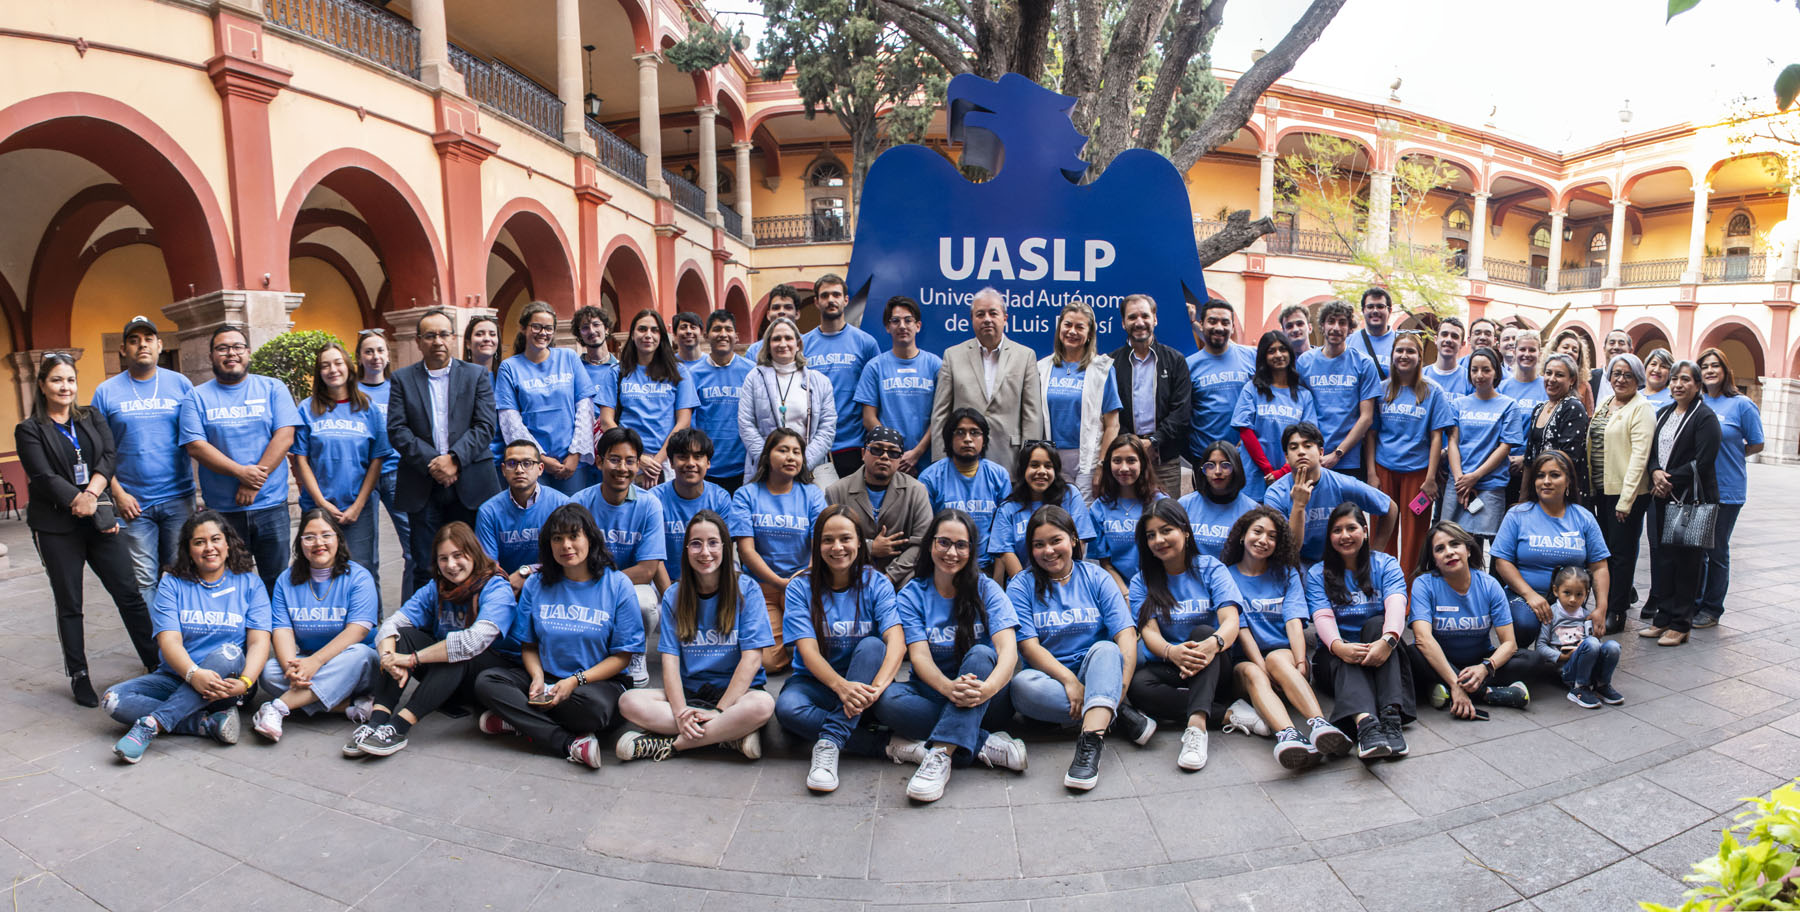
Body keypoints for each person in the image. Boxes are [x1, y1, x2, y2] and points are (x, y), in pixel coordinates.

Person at [18, 351, 158, 705]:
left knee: (128, 591)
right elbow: (42, 476)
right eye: (56, 380)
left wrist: (92, 494)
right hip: (55, 527)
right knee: (70, 601)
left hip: (97, 521)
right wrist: (76, 499)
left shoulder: (91, 417)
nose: (65, 387)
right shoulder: (29, 429)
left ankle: (155, 661)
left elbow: (108, 456)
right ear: (42, 385)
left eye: (70, 380)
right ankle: (79, 675)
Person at [873, 509, 1028, 802]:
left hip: (987, 697)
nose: (951, 552)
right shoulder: (911, 595)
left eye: (961, 545)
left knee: (982, 653)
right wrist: (949, 688)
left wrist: (987, 689)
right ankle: (981, 742)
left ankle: (940, 756)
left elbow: (1008, 651)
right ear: (930, 544)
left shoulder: (987, 589)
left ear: (971, 550)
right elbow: (919, 657)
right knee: (885, 700)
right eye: (943, 542)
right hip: (933, 691)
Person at [473, 503, 643, 768]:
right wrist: (538, 677)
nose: (566, 545)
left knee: (595, 712)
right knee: (487, 681)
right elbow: (528, 646)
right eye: (557, 538)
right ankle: (568, 742)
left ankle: (519, 722)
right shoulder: (537, 584)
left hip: (593, 684)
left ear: (590, 538)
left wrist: (575, 681)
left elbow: (622, 657)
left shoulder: (617, 584)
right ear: (548, 545)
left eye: (574, 536)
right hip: (548, 679)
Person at [1006, 506, 1154, 790]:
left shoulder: (1096, 577)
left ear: (1073, 539)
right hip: (1050, 679)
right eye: (1038, 545)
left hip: (1098, 668)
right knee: (1021, 687)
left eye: (1055, 540)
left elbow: (1125, 634)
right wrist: (1069, 681)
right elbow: (1028, 647)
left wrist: (1121, 686)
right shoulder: (1020, 586)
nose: (1048, 551)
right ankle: (1114, 712)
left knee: (1107, 650)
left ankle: (1089, 745)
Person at [105, 511, 271, 763]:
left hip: (229, 684)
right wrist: (194, 675)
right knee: (113, 701)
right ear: (188, 549)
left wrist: (246, 682)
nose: (209, 548)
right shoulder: (172, 584)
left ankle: (152, 724)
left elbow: (259, 641)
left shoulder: (250, 584)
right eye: (199, 542)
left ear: (228, 543)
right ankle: (204, 724)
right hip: (179, 676)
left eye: (215, 539)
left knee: (228, 653)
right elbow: (168, 641)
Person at [614, 510, 775, 762]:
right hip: (691, 692)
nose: (705, 552)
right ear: (686, 549)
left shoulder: (747, 589)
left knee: (763, 705)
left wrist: (721, 709)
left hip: (737, 696)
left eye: (713, 543)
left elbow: (752, 659)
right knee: (628, 701)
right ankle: (729, 735)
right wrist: (679, 711)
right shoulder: (674, 595)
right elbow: (670, 661)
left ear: (724, 546)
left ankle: (672, 744)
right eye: (696, 544)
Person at [347, 522, 518, 759]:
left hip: (485, 678)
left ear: (474, 553)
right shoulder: (437, 587)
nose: (451, 565)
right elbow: (392, 624)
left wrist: (411, 659)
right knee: (403, 636)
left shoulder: (496, 587)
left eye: (458, 556)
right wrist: (388, 658)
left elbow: (471, 642)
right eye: (443, 558)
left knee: (457, 651)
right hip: (444, 677)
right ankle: (376, 722)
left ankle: (398, 727)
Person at [776, 507, 906, 792]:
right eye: (827, 540)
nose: (837, 548)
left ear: (860, 542)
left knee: (873, 646)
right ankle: (884, 745)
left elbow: (895, 639)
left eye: (845, 538)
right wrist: (841, 687)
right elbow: (807, 650)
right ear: (817, 544)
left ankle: (830, 740)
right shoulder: (800, 587)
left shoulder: (877, 583)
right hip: (818, 683)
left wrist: (877, 687)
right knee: (787, 708)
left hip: (867, 685)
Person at [1224, 506, 1350, 766]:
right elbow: (1241, 627)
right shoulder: (1225, 574)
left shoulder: (1287, 572)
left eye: (1272, 536)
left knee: (1277, 660)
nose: (1263, 540)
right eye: (1257, 532)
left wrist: (1302, 661)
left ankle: (1319, 725)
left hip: (1283, 658)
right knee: (1254, 671)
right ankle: (1288, 735)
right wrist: (1261, 665)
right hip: (1242, 659)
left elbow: (1294, 620)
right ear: (1242, 535)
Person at [178, 325, 301, 591]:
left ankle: (275, 632)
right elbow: (197, 447)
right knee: (231, 583)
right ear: (211, 356)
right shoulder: (196, 397)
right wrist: (239, 473)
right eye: (222, 348)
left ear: (248, 353)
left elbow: (285, 436)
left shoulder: (272, 388)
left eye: (237, 347)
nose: (230, 353)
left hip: (271, 506)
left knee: (276, 582)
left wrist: (252, 482)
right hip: (223, 511)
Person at [392, 308, 503, 598]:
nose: (437, 341)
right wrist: (435, 463)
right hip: (422, 484)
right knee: (425, 564)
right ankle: (425, 630)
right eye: (430, 335)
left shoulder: (476, 375)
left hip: (471, 484)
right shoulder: (402, 379)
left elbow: (485, 425)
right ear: (418, 341)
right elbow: (397, 430)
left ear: (453, 338)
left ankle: (475, 623)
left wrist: (454, 459)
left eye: (443, 334)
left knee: (474, 561)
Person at [1126, 499, 1244, 771]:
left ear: (1185, 531)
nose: (1159, 540)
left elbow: (1230, 621)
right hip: (1171, 663)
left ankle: (1197, 727)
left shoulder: (1211, 568)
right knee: (1138, 686)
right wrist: (1172, 652)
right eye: (1151, 535)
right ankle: (1228, 714)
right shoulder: (1141, 581)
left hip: (1215, 663)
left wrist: (1212, 644)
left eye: (1166, 530)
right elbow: (1149, 631)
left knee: (1203, 631)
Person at [91, 315, 195, 610]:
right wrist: (118, 494)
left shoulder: (181, 384)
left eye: (148, 339)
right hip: (133, 503)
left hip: (178, 498)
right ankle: (157, 647)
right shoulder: (106, 391)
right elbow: (99, 450)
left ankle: (183, 639)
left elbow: (195, 438)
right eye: (134, 341)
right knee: (144, 579)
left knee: (180, 572)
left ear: (160, 345)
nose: (142, 345)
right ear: (123, 349)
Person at [250, 510, 380, 741]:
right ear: (299, 544)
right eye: (309, 537)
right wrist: (291, 667)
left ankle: (279, 707)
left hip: (355, 662)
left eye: (326, 535)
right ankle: (348, 707)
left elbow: (358, 631)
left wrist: (316, 662)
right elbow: (282, 630)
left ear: (338, 539)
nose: (318, 543)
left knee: (359, 654)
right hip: (309, 662)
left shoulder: (359, 577)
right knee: (270, 672)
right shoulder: (286, 580)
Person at [1306, 503, 1412, 760]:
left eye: (1351, 528)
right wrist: (1339, 647)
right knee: (1345, 653)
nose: (1344, 536)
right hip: (1334, 658)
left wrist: (1387, 641)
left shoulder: (1386, 564)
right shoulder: (1316, 573)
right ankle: (1367, 727)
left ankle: (1390, 718)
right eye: (1337, 530)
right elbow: (1322, 617)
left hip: (1381, 652)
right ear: (1329, 537)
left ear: (1365, 531)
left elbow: (1397, 603)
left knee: (1378, 625)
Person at [1407, 521, 1535, 721]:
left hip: (1479, 661)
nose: (1449, 552)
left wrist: (1485, 668)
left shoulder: (1490, 585)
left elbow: (1509, 644)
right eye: (1440, 549)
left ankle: (1444, 691)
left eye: (1455, 544)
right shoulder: (1424, 584)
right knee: (1413, 652)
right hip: (1440, 661)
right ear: (1434, 559)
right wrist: (1455, 682)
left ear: (1468, 549)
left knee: (1531, 659)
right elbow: (1423, 638)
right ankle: (1488, 694)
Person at [291, 341, 391, 593]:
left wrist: (358, 505)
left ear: (348, 367)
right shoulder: (306, 409)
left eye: (337, 363)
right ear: (319, 373)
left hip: (359, 508)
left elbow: (377, 459)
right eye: (325, 365)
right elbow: (301, 459)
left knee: (363, 569)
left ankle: (370, 628)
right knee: (319, 568)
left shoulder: (368, 408)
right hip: (318, 507)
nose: (332, 370)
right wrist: (322, 504)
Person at [1490, 450, 1612, 649]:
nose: (1546, 481)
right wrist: (1530, 595)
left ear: (1568, 481)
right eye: (1540, 475)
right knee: (1524, 624)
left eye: (1554, 475)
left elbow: (1599, 566)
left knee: (1571, 656)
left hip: (1569, 600)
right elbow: (1502, 562)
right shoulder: (1517, 514)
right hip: (1523, 596)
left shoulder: (1584, 517)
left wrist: (1601, 608)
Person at [573, 427, 666, 685]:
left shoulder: (650, 505)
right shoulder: (580, 502)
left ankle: (634, 651)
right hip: (584, 585)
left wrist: (603, 585)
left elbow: (647, 569)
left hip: (630, 586)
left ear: (638, 465)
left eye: (630, 461)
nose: (622, 468)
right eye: (614, 459)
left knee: (644, 604)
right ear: (600, 461)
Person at [730, 427, 828, 673]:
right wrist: (778, 582)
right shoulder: (746, 494)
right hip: (762, 587)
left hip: (803, 583)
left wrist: (797, 581)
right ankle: (793, 643)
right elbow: (746, 551)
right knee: (769, 663)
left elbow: (819, 549)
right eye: (783, 450)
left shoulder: (813, 495)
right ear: (767, 456)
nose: (791, 457)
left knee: (828, 651)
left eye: (797, 452)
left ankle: (796, 641)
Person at [1641, 359, 1719, 646]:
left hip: (1690, 500)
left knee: (1687, 562)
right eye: (1674, 379)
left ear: (1697, 385)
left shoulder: (1705, 417)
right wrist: (1654, 472)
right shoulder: (1663, 413)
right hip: (1661, 497)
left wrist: (1667, 478)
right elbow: (1652, 453)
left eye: (1685, 379)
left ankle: (1680, 623)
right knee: (1663, 559)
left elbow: (1705, 460)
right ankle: (1662, 618)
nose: (1677, 384)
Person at [927, 287, 1044, 471]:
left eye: (993, 313)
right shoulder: (952, 356)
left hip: (1010, 461)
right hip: (960, 463)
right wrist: (941, 462)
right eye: (980, 314)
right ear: (972, 319)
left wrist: (1029, 462)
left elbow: (1032, 416)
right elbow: (941, 414)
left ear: (1005, 318)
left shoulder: (1025, 356)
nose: (987, 319)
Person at [1371, 332, 1454, 574]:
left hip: (1417, 474)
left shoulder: (1433, 391)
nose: (1404, 355)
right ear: (1392, 355)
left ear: (1420, 357)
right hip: (1384, 469)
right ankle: (1381, 588)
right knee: (1381, 533)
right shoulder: (1382, 390)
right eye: (1399, 350)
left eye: (1410, 351)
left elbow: (1437, 437)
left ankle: (1409, 595)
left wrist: (1430, 479)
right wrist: (1371, 474)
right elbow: (1372, 434)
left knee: (1414, 539)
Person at [1693, 346, 1764, 628]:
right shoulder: (1697, 402)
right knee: (1697, 548)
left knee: (1716, 549)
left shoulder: (1741, 405)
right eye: (1705, 366)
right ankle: (1694, 601)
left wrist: (1730, 456)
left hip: (1727, 489)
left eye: (1715, 365)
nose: (1710, 370)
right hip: (1698, 489)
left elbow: (1757, 443)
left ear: (1725, 371)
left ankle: (1712, 608)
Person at [1587, 352, 1654, 632]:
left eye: (1627, 374)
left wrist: (1626, 500)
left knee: (1620, 554)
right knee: (1604, 553)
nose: (1621, 379)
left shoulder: (1642, 408)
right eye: (1616, 373)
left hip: (1626, 494)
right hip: (1602, 489)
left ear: (1638, 378)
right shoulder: (1606, 403)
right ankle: (1609, 601)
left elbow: (1640, 456)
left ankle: (1617, 611)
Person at [496, 301, 593, 495]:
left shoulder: (569, 358)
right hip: (531, 464)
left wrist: (575, 454)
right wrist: (538, 457)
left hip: (571, 462)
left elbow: (585, 408)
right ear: (524, 328)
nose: (543, 333)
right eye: (537, 327)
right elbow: (510, 420)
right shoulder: (509, 367)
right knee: (538, 519)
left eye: (549, 328)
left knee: (573, 518)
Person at [1263, 423, 1396, 564]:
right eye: (1294, 447)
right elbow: (1289, 549)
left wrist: (1374, 556)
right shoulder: (1275, 494)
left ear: (1321, 453)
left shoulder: (1342, 484)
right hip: (1296, 563)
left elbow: (1390, 508)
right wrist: (1299, 505)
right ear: (1287, 457)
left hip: (1338, 562)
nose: (1301, 452)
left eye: (1307, 446)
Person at [595, 309, 698, 488]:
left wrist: (656, 462)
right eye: (642, 329)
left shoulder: (678, 372)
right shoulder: (617, 372)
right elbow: (606, 421)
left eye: (654, 330)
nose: (648, 335)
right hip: (626, 460)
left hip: (666, 460)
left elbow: (683, 422)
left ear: (662, 336)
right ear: (633, 335)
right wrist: (637, 457)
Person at [824, 426, 934, 587]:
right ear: (863, 454)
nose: (884, 457)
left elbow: (921, 543)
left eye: (893, 453)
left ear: (900, 459)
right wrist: (870, 547)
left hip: (902, 578)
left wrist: (889, 577)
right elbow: (828, 540)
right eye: (876, 450)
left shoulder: (917, 491)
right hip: (849, 574)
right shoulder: (836, 491)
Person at [1106, 294, 1192, 495]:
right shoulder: (1110, 363)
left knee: (1166, 519)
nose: (1139, 322)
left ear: (1155, 319)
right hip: (1125, 461)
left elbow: (1182, 411)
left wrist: (1154, 441)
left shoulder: (1175, 360)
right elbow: (1110, 413)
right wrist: (1133, 445)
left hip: (1165, 460)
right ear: (1123, 323)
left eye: (1145, 316)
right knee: (1127, 515)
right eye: (1132, 317)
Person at [802, 273, 882, 483]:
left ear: (846, 300)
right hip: (814, 445)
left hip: (853, 444)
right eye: (825, 295)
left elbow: (876, 395)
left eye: (836, 294)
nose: (831, 300)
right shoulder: (803, 345)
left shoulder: (866, 343)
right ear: (816, 302)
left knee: (852, 511)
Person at [355, 329, 416, 598]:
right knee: (366, 557)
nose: (375, 356)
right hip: (362, 477)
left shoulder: (398, 387)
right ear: (359, 357)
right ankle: (372, 618)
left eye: (380, 350)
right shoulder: (351, 392)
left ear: (388, 355)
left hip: (396, 474)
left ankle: (408, 616)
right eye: (368, 351)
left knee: (413, 549)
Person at [738, 316, 835, 482]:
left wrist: (802, 462)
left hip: (808, 470)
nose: (783, 344)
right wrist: (769, 461)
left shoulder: (819, 381)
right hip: (765, 471)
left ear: (798, 344)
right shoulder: (754, 378)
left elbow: (827, 428)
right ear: (768, 345)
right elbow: (746, 423)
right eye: (776, 339)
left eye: (788, 338)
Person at [1036, 300, 1119, 493]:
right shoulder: (1042, 368)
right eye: (1068, 325)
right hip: (1050, 459)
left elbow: (1112, 425)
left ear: (1089, 334)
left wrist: (1102, 466)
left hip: (1088, 460)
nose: (1072, 331)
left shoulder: (1103, 369)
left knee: (1083, 518)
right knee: (1055, 517)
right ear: (1059, 328)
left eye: (1080, 327)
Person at [1443, 347, 1523, 543]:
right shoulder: (1459, 404)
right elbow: (1452, 441)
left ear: (1496, 372)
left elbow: (1505, 447)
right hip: (1458, 484)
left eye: (1486, 370)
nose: (1480, 375)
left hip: (1490, 485)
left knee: (1485, 545)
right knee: (1452, 539)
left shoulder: (1509, 405)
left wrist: (1475, 477)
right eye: (1474, 370)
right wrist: (1460, 479)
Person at [989, 441, 1097, 585]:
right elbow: (1006, 553)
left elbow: (1079, 542)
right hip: (1025, 586)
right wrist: (1030, 590)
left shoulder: (1070, 495)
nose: (1041, 471)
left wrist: (1061, 582)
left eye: (1048, 466)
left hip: (1067, 582)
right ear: (1023, 470)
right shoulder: (1007, 508)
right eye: (1034, 465)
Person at [856, 296, 942, 476]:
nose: (902, 326)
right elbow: (869, 418)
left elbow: (941, 416)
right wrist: (895, 453)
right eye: (895, 321)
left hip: (927, 462)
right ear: (888, 327)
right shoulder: (875, 367)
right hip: (888, 462)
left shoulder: (936, 365)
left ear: (918, 326)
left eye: (908, 320)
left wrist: (916, 453)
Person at [1297, 300, 1382, 481]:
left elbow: (1366, 417)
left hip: (1349, 459)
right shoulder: (1305, 362)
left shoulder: (1363, 363)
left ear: (1350, 328)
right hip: (1312, 456)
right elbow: (1299, 410)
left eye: (1342, 322)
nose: (1336, 327)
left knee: (1347, 510)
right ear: (1322, 325)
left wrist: (1337, 454)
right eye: (1331, 321)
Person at [917, 409, 1013, 565]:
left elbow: (1004, 535)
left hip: (987, 566)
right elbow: (926, 533)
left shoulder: (999, 476)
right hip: (945, 564)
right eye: (960, 432)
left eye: (975, 433)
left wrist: (997, 579)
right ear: (949, 438)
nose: (968, 439)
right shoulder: (930, 478)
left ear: (984, 439)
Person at [1232, 331, 1317, 500]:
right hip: (1254, 477)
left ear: (1290, 354)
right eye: (1271, 351)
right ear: (1264, 356)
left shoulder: (1304, 395)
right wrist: (1268, 470)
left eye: (1283, 349)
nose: (1278, 355)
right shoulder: (1252, 389)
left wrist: (1283, 472)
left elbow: (1308, 436)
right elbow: (1245, 432)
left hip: (1290, 476)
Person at [476, 438, 572, 585]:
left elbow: (569, 559)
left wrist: (527, 572)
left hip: (553, 582)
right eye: (512, 464)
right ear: (503, 470)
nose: (519, 470)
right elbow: (489, 567)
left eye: (527, 463)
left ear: (540, 469)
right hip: (505, 586)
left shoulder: (561, 505)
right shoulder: (488, 512)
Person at [650, 427, 736, 583]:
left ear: (708, 462)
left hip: (708, 579)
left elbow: (722, 551)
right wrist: (671, 597)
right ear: (671, 463)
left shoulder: (720, 498)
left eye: (698, 457)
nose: (690, 463)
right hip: (664, 582)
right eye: (683, 457)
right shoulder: (654, 499)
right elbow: (654, 557)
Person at [1186, 300, 1257, 485]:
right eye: (1212, 321)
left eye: (1225, 322)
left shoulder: (1252, 357)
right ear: (1202, 324)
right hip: (1205, 459)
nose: (1219, 327)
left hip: (1246, 457)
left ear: (1233, 327)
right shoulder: (1189, 365)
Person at [1534, 566, 1623, 708]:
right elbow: (1540, 646)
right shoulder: (1551, 614)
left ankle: (1602, 684)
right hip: (1566, 669)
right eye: (1567, 593)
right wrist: (1562, 657)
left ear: (1586, 594)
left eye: (1579, 594)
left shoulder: (1586, 615)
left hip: (1588, 663)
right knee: (1592, 643)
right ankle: (1579, 687)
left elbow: (1594, 645)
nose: (1573, 599)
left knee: (1613, 646)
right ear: (1556, 590)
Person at [1089, 434, 1165, 594]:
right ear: (1108, 464)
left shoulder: (1160, 502)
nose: (1124, 468)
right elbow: (1105, 563)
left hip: (1158, 588)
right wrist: (1125, 595)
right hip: (1117, 590)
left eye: (1131, 460)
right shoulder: (1099, 508)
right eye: (1117, 461)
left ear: (1142, 464)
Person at [688, 310, 754, 491]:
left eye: (728, 329)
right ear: (706, 335)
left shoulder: (752, 372)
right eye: (717, 329)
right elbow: (690, 423)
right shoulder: (693, 375)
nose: (723, 334)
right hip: (706, 468)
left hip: (744, 468)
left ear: (736, 336)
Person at [1520, 352, 1591, 504]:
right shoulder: (1539, 409)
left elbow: (1568, 460)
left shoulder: (1573, 407)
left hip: (1562, 496)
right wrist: (1523, 498)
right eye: (1548, 373)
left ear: (1571, 380)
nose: (1551, 379)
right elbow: (1528, 458)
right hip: (1537, 490)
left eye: (1559, 375)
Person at [1178, 440, 1257, 559]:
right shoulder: (1184, 504)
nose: (1218, 471)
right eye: (1210, 465)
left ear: (1236, 468)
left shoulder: (1252, 510)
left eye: (1225, 465)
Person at [463, 312, 508, 485]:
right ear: (468, 343)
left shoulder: (506, 377)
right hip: (471, 462)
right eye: (479, 334)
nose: (486, 338)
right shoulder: (459, 379)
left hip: (506, 463)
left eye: (492, 334)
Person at [1347, 287, 1398, 374]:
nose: (1375, 311)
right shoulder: (1349, 342)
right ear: (1363, 310)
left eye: (1380, 306)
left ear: (1389, 311)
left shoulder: (1400, 342)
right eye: (1370, 307)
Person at [744, 284, 799, 361]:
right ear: (768, 315)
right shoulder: (754, 351)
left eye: (787, 307)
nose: (781, 311)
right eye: (776, 308)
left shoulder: (808, 345)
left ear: (797, 314)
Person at [1551, 329, 1596, 415]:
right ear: (1555, 350)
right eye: (1565, 347)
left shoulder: (1584, 386)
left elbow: (1589, 418)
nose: (1569, 351)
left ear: (1579, 357)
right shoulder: (1545, 379)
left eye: (1575, 350)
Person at [1424, 317, 1472, 396]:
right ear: (1435, 339)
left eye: (1454, 336)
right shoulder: (1421, 376)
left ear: (1462, 344)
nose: (1449, 340)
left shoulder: (1469, 379)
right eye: (1444, 334)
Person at [1497, 331, 1547, 405]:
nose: (1527, 354)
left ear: (1539, 354)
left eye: (1532, 350)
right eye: (1522, 349)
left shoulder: (1547, 387)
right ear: (1514, 352)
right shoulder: (1501, 388)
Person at [1589, 329, 1633, 402]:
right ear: (1604, 349)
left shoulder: (1637, 383)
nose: (1616, 347)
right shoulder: (1590, 378)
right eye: (1612, 343)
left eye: (1621, 343)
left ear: (1630, 351)